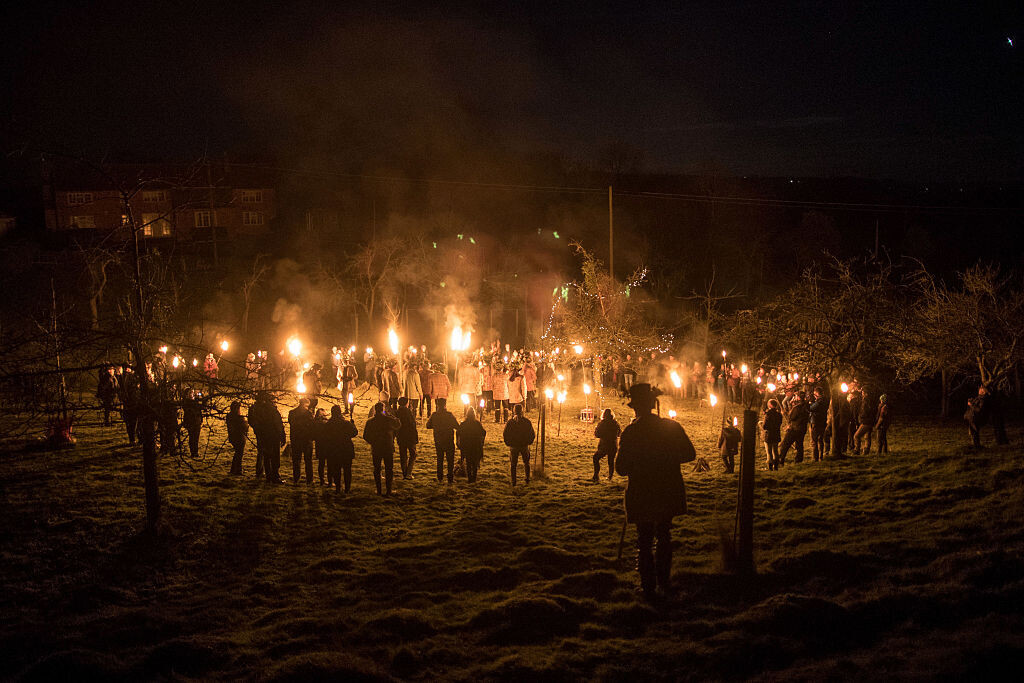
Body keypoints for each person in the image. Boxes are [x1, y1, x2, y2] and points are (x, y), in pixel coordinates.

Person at [615, 383, 696, 600]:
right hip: (667, 489)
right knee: (664, 535)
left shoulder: (632, 432)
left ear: (635, 408)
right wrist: (667, 459)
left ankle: (648, 586)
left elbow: (621, 468)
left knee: (644, 538)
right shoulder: (671, 427)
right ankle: (664, 582)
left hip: (643, 492)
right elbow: (689, 454)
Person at [363, 402, 401, 495]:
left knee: (377, 469)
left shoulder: (370, 421)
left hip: (376, 447)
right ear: (383, 409)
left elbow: (365, 436)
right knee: (389, 469)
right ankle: (388, 490)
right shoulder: (388, 420)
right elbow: (398, 424)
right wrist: (390, 415)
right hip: (387, 447)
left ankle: (379, 490)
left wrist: (372, 442)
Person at [249, 391, 285, 483]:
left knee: (266, 455)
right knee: (274, 457)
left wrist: (258, 431)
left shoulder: (257, 409)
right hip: (273, 436)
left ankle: (268, 476)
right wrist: (282, 436)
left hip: (263, 435)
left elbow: (253, 422)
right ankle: (275, 476)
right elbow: (278, 425)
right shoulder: (272, 410)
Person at [321, 404, 358, 492]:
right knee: (347, 470)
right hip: (346, 449)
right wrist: (353, 425)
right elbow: (354, 433)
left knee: (336, 469)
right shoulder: (345, 423)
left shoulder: (328, 424)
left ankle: (338, 487)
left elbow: (325, 437)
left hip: (334, 450)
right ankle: (347, 488)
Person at [426, 397, 459, 483]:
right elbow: (457, 426)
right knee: (450, 460)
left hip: (438, 440)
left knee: (439, 459)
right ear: (445, 405)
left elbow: (428, 425)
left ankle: (440, 476)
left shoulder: (434, 415)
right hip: (448, 440)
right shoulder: (449, 415)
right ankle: (450, 478)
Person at [503, 403, 536, 485]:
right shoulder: (526, 422)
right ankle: (527, 479)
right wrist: (529, 442)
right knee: (526, 463)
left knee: (513, 464)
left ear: (514, 411)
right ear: (522, 411)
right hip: (523, 445)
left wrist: (508, 443)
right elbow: (532, 434)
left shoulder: (510, 422)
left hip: (514, 446)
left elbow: (505, 434)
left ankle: (514, 481)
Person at [288, 398, 315, 484]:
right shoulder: (308, 414)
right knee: (308, 461)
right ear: (305, 404)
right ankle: (309, 479)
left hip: (295, 439)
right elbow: (312, 427)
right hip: (306, 440)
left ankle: (296, 478)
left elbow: (291, 423)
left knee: (296, 460)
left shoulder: (292, 413)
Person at [457, 407, 487, 483]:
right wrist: (482, 441)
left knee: (468, 462)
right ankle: (474, 477)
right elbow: (483, 432)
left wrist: (458, 442)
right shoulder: (477, 423)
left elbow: (458, 432)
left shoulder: (463, 424)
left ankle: (470, 477)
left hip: (467, 446)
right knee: (475, 462)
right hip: (475, 446)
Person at [779, 391, 810, 464]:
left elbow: (791, 417)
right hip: (802, 429)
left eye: (795, 396)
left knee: (785, 444)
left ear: (798, 398)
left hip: (794, 429)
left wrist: (784, 413)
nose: (794, 397)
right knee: (799, 444)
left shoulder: (797, 408)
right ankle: (799, 460)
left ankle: (781, 459)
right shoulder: (806, 406)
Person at [592, 408, 622, 481]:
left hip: (604, 445)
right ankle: (610, 477)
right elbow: (619, 434)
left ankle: (596, 475)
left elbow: (597, 434)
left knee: (596, 458)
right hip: (613, 445)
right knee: (611, 461)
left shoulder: (602, 423)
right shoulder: (615, 423)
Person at [396, 396, 419, 479]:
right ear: (406, 403)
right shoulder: (407, 412)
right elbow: (412, 425)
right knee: (413, 454)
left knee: (403, 455)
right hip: (409, 437)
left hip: (401, 436)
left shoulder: (397, 412)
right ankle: (408, 472)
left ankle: (404, 472)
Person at [226, 400, 248, 475]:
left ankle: (235, 469)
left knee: (237, 453)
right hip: (239, 437)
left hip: (233, 437)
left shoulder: (229, 416)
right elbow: (245, 428)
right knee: (239, 454)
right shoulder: (238, 418)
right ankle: (237, 470)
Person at [809, 387, 829, 462]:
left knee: (814, 440)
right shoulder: (825, 400)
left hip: (816, 421)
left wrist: (811, 403)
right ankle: (821, 456)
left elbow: (811, 408)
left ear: (816, 393)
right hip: (823, 421)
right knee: (820, 439)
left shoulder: (819, 401)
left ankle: (815, 457)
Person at [181, 391, 203, 458]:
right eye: (190, 393)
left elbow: (200, 409)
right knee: (192, 438)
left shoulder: (195, 402)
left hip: (197, 422)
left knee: (196, 438)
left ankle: (195, 452)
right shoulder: (187, 402)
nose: (192, 395)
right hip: (191, 422)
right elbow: (188, 410)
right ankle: (193, 452)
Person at [763, 399, 783, 470]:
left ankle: (770, 466)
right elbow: (779, 423)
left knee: (769, 452)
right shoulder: (779, 414)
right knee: (775, 451)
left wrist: (761, 424)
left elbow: (765, 426)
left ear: (770, 405)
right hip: (776, 434)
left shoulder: (768, 414)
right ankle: (776, 466)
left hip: (769, 435)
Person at [313, 407, 329, 485]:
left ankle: (321, 479)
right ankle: (329, 480)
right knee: (329, 463)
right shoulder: (327, 423)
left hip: (319, 445)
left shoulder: (315, 423)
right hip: (327, 444)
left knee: (321, 463)